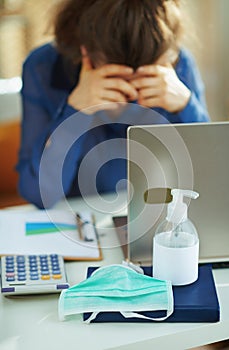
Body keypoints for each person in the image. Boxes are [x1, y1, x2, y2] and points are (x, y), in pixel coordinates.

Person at [17, 0, 210, 209]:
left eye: (143, 80)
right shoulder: (43, 68)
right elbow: (38, 193)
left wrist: (187, 106)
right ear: (85, 54)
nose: (131, 98)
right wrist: (75, 111)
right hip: (74, 220)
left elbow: (211, 177)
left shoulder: (179, 66)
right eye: (116, 80)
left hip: (155, 215)